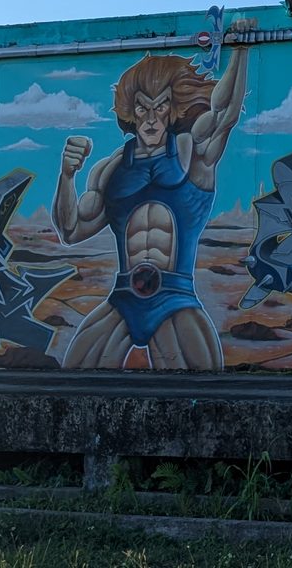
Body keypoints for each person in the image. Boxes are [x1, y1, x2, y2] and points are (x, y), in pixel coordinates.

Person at [53, 19, 255, 369]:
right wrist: (67, 175)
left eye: (159, 107)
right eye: (143, 109)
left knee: (205, 394)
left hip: (176, 297)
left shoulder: (190, 151)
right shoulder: (110, 168)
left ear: (172, 109)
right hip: (123, 296)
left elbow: (223, 114)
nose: (150, 119)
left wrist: (240, 50)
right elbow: (71, 230)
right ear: (131, 112)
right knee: (74, 377)